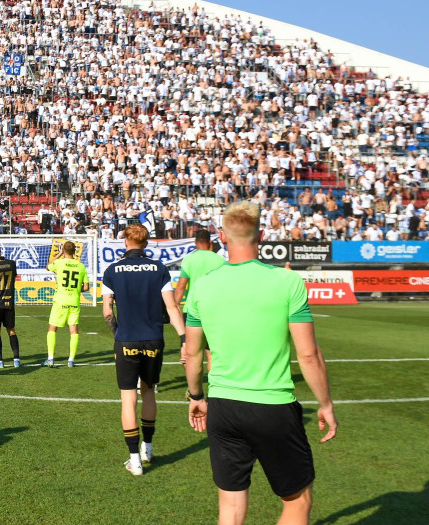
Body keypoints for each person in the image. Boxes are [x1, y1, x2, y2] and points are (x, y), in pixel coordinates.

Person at [184, 201, 337, 524]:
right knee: (297, 501)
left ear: (222, 237)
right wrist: (325, 403)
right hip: (273, 406)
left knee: (230, 506)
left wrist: (196, 396)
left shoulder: (203, 286)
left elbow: (193, 354)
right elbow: (308, 355)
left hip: (224, 405)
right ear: (262, 235)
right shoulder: (287, 282)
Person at [101, 224, 186, 476]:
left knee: (128, 399)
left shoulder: (112, 270)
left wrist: (119, 335)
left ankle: (134, 460)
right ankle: (148, 448)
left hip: (126, 340)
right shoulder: (158, 269)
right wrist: (183, 339)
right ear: (146, 243)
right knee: (149, 393)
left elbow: (107, 313)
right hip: (153, 340)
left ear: (126, 242)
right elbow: (171, 308)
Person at [173, 229, 224, 374]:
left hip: (191, 310)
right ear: (210, 243)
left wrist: (174, 309)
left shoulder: (189, 259)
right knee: (211, 353)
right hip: (213, 311)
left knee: (190, 352)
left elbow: (181, 287)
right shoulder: (219, 260)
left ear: (195, 243)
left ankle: (193, 389)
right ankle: (214, 385)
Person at [44, 241, 90, 367]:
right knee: (74, 331)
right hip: (74, 301)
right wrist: (75, 289)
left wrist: (59, 254)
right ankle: (71, 360)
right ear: (74, 251)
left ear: (64, 250)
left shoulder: (59, 263)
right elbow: (86, 287)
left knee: (52, 328)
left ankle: (50, 358)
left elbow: (47, 266)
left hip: (60, 300)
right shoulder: (80, 266)